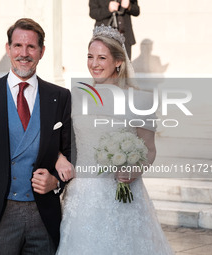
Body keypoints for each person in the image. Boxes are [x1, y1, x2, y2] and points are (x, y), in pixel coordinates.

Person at [0, 18, 72, 255]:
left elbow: (70, 155)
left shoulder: (60, 96)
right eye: (18, 46)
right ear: (8, 49)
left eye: (31, 47)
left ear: (42, 52)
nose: (24, 53)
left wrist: (57, 182)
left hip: (44, 216)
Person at [55, 25, 174, 254]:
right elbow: (60, 141)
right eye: (90, 57)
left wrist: (135, 170)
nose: (94, 64)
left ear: (118, 61)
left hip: (125, 196)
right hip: (82, 198)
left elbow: (149, 149)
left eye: (102, 57)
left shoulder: (139, 101)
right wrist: (59, 157)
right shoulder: (75, 97)